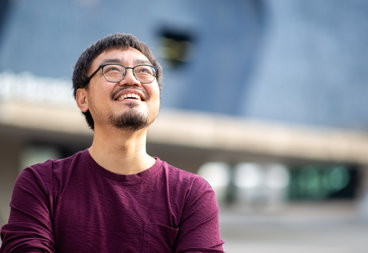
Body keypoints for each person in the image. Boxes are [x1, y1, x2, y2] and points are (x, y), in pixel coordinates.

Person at [0, 33, 224, 252]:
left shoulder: (192, 194)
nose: (132, 79)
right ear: (83, 98)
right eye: (113, 70)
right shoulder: (42, 183)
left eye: (145, 72)